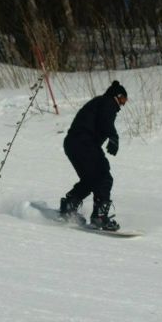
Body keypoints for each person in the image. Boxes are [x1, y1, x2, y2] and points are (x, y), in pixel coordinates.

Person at [59, 80, 128, 231]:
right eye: (123, 100)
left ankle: (69, 207)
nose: (122, 105)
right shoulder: (108, 102)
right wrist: (114, 137)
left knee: (91, 179)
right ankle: (99, 217)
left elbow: (102, 122)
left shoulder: (100, 102)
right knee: (104, 177)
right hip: (83, 143)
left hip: (73, 144)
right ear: (117, 96)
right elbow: (105, 121)